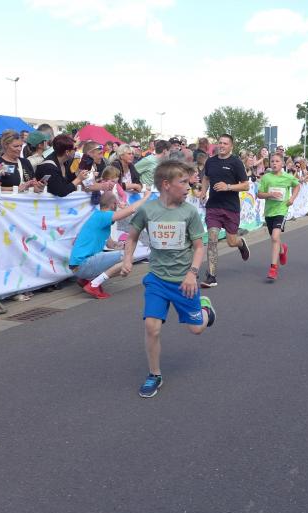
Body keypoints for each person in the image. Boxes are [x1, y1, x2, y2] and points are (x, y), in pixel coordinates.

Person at [121, 160, 217, 398]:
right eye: (183, 182)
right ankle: (154, 375)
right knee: (151, 327)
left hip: (184, 280)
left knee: (197, 329)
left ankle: (206, 310)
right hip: (157, 279)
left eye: (188, 182)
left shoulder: (189, 212)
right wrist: (127, 259)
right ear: (166, 184)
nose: (188, 187)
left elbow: (199, 246)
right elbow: (131, 237)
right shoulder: (148, 210)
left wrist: (192, 273)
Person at [70, 190, 150, 299]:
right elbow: (131, 210)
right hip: (83, 265)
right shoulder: (102, 216)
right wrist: (145, 197)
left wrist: (121, 245)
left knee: (124, 257)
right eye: (116, 204)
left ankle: (86, 280)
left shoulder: (98, 217)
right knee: (128, 258)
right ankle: (94, 284)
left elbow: (111, 245)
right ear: (113, 205)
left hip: (78, 267)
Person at [199, 134, 251, 288]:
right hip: (213, 207)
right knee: (212, 239)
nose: (221, 145)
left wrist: (227, 187)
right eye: (220, 143)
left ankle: (240, 243)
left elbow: (246, 185)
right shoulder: (211, 161)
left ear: (231, 146)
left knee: (231, 241)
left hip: (230, 208)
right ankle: (211, 276)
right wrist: (203, 192)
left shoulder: (236, 162)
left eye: (225, 143)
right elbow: (206, 178)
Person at [256, 152, 300, 280]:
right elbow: (259, 194)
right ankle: (282, 249)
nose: (274, 163)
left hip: (281, 210)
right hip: (269, 212)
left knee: (275, 237)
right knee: (274, 238)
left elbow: (297, 185)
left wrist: (292, 198)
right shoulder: (266, 177)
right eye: (272, 161)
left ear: (282, 163)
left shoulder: (288, 177)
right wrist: (270, 195)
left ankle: (273, 268)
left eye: (277, 161)